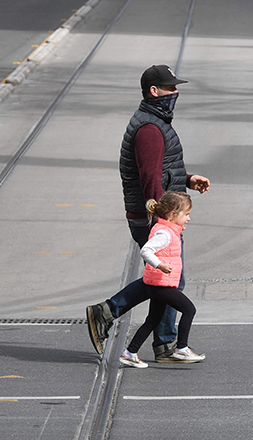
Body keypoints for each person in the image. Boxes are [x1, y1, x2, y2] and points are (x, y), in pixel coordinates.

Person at [86, 64, 211, 362]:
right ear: (154, 91)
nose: (175, 92)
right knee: (166, 281)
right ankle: (108, 312)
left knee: (165, 281)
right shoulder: (150, 129)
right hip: (154, 218)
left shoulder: (155, 122)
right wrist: (162, 220)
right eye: (170, 88)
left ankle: (164, 344)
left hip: (157, 214)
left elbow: (163, 171)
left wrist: (187, 180)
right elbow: (150, 178)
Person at [119, 191, 205, 368]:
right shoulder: (165, 234)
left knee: (153, 319)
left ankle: (130, 352)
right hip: (160, 284)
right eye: (186, 214)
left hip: (160, 283)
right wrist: (160, 265)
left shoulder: (168, 230)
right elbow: (146, 250)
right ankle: (181, 348)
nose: (188, 219)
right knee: (189, 310)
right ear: (173, 215)